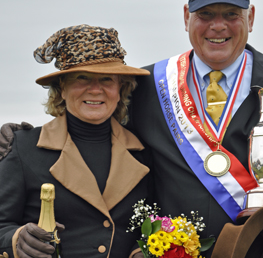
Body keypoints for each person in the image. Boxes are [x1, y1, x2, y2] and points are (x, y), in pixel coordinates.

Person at [1, 0, 263, 257]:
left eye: (231, 14)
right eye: (205, 13)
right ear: (186, 17)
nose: (218, 25)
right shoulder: (150, 87)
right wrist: (19, 138)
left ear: (251, 17)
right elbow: (84, 126)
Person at [0, 24, 151, 258]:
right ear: (61, 87)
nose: (95, 89)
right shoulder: (22, 147)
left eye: (107, 79)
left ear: (120, 88)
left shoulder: (144, 152)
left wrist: (142, 251)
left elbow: (157, 224)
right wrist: (16, 240)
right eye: (82, 77)